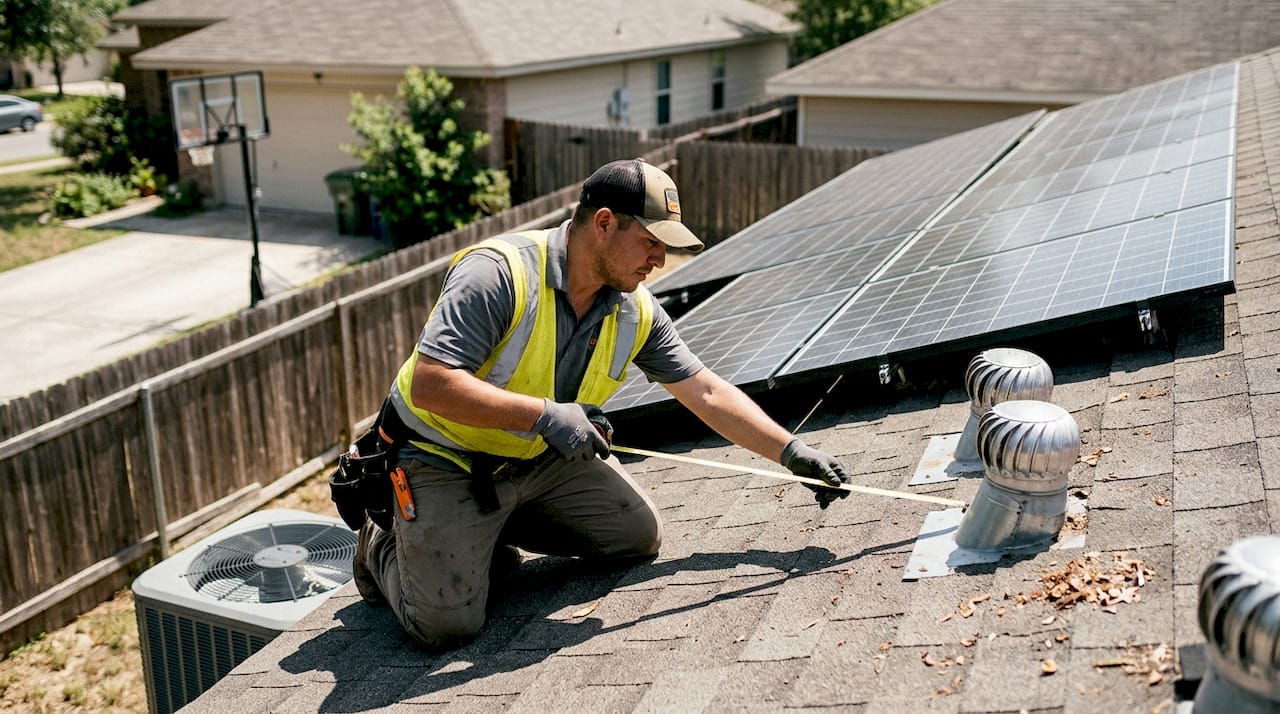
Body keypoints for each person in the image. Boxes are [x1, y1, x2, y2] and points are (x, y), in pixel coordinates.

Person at [353, 158, 851, 650]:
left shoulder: (634, 309)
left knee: (636, 536)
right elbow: (431, 384)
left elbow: (705, 391)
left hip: (533, 461)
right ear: (605, 223)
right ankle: (382, 540)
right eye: (651, 243)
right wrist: (545, 415)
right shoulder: (498, 274)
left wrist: (791, 453)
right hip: (443, 458)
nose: (659, 260)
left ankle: (482, 533)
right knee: (446, 627)